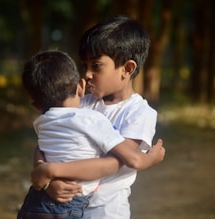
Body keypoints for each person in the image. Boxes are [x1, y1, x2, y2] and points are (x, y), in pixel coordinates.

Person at [31, 16, 164, 219]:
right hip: (64, 206)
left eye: (97, 65)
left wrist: (52, 170)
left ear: (127, 69)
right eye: (85, 66)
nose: (87, 74)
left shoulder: (140, 114)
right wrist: (48, 180)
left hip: (105, 209)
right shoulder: (81, 103)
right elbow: (45, 143)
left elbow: (116, 162)